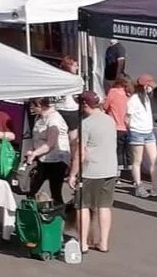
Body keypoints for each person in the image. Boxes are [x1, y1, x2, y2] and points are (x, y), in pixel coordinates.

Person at [68, 92, 117, 253]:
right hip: (109, 168)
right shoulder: (109, 120)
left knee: (83, 206)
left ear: (85, 105)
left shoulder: (86, 124)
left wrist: (73, 174)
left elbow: (80, 153)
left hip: (91, 171)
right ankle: (104, 243)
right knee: (104, 206)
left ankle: (83, 243)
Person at [23, 97, 71, 205]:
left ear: (41, 106)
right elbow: (35, 137)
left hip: (57, 160)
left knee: (55, 192)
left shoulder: (54, 119)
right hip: (43, 158)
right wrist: (31, 150)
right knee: (31, 189)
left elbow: (50, 143)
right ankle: (31, 212)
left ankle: (61, 216)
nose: (32, 108)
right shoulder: (39, 118)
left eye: (33, 106)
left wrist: (34, 153)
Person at [126, 74, 157, 197]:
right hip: (137, 132)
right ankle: (139, 186)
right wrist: (132, 128)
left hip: (148, 131)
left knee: (154, 160)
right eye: (149, 85)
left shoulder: (146, 97)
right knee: (137, 161)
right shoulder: (134, 99)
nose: (151, 88)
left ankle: (155, 187)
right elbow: (127, 118)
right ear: (145, 86)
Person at [103, 76, 131, 181]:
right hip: (127, 127)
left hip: (115, 126)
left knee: (117, 152)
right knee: (127, 151)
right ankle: (132, 176)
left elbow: (105, 107)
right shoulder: (128, 94)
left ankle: (117, 176)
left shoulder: (113, 92)